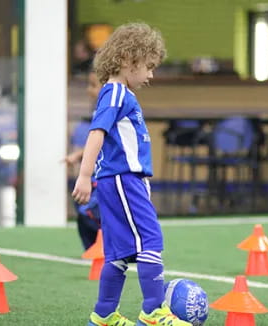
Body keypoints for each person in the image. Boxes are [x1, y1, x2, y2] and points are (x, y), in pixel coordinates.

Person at [72, 23, 192, 326]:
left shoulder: (117, 94)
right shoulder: (115, 92)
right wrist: (84, 176)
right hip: (123, 180)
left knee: (119, 253)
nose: (150, 75)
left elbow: (110, 139)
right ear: (128, 59)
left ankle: (103, 315)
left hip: (122, 181)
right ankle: (153, 311)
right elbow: (96, 132)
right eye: (148, 67)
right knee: (150, 241)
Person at [65, 72, 102, 250]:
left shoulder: (109, 111)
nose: (89, 90)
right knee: (83, 210)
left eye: (93, 85)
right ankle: (92, 250)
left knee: (89, 212)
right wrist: (78, 155)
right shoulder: (98, 111)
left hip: (106, 175)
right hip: (96, 174)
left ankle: (104, 248)